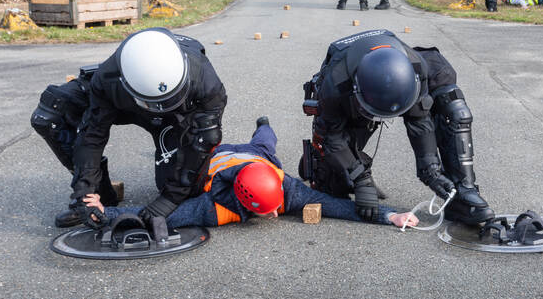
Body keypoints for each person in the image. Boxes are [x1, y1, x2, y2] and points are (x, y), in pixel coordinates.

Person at [30, 27, 226, 229]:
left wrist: (169, 200)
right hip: (126, 101)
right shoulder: (108, 78)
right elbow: (92, 135)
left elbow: (204, 139)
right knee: (50, 112)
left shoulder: (207, 83)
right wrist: (84, 189)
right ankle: (100, 194)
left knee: (187, 189)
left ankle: (177, 177)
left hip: (174, 118)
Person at [300, 29, 495, 226]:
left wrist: (432, 172)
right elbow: (332, 138)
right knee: (332, 186)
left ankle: (463, 193)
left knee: (455, 110)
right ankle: (337, 170)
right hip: (349, 91)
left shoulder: (417, 67)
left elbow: (419, 122)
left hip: (394, 78)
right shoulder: (336, 84)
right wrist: (360, 179)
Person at [81, 120, 416, 229]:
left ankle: (263, 122)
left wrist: (391, 216)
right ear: (242, 201)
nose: (274, 214)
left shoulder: (286, 190)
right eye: (265, 210)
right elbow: (165, 216)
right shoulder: (217, 205)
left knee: (266, 138)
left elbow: (335, 206)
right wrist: (104, 213)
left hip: (257, 156)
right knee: (175, 169)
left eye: (273, 207)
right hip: (217, 156)